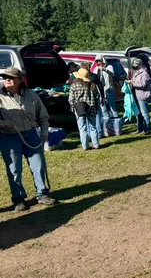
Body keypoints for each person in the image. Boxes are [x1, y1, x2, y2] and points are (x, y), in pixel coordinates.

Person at [0, 68, 56, 211]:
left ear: (20, 80)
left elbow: (43, 116)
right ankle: (18, 199)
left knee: (38, 165)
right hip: (9, 137)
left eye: (11, 77)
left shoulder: (31, 95)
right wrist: (3, 124)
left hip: (31, 134)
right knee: (14, 169)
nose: (7, 79)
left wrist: (44, 133)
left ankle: (42, 194)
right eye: (5, 77)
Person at [68, 66, 101, 151]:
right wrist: (97, 107)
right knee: (93, 127)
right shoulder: (92, 85)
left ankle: (85, 146)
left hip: (79, 109)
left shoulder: (74, 85)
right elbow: (98, 97)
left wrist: (73, 109)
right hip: (92, 107)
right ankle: (96, 144)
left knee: (82, 128)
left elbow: (71, 99)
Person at [127, 58, 151, 135]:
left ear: (140, 64)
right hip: (136, 95)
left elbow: (143, 84)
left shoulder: (144, 73)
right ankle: (139, 129)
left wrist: (132, 84)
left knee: (144, 113)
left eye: (136, 66)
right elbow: (134, 80)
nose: (135, 67)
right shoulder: (136, 73)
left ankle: (147, 129)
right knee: (138, 113)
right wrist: (130, 81)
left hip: (143, 95)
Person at [84, 62, 106, 138]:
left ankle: (89, 134)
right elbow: (100, 87)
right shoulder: (94, 76)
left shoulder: (81, 77)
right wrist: (102, 97)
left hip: (86, 99)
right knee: (97, 114)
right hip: (95, 97)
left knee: (87, 116)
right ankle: (99, 132)